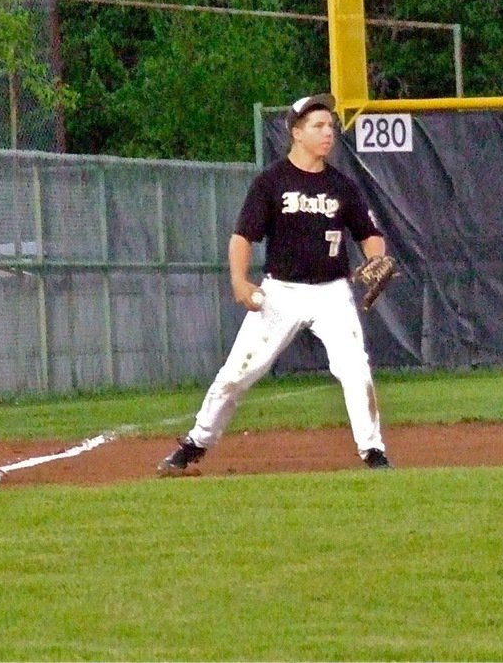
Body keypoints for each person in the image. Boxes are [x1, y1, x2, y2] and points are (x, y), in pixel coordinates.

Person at [158, 92, 393, 475]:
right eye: (318, 126)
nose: (327, 133)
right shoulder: (271, 182)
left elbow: (369, 233)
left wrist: (376, 258)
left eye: (330, 126)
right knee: (237, 373)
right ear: (296, 132)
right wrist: (239, 280)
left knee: (355, 369)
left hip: (332, 293)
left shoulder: (342, 186)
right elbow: (242, 237)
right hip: (280, 292)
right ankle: (195, 444)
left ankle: (373, 452)